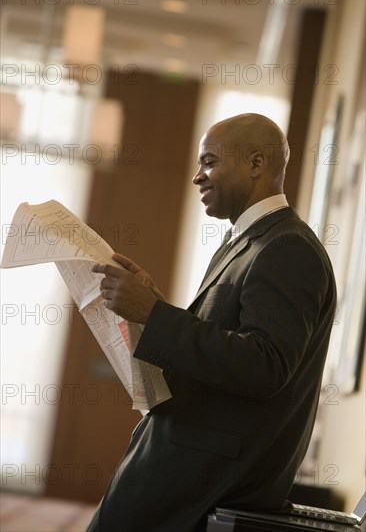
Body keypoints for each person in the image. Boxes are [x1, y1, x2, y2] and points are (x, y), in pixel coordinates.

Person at [87, 113, 337, 532]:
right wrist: (156, 305)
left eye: (209, 161)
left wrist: (155, 314)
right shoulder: (243, 242)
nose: (197, 177)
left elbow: (266, 365)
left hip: (207, 480)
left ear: (256, 164)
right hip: (185, 463)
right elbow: (221, 347)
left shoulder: (287, 247)